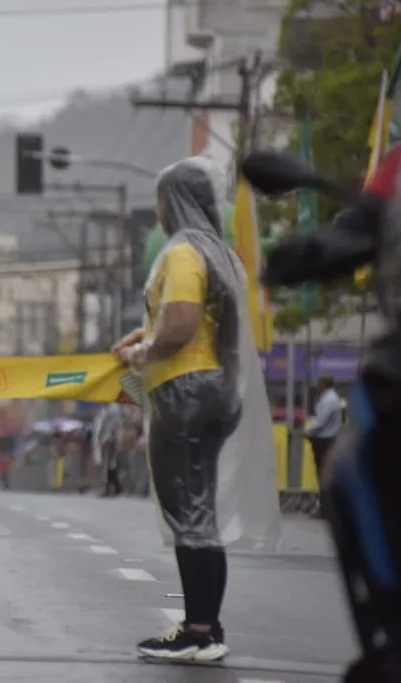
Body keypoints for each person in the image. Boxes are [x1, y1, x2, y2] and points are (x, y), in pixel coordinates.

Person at [112, 156, 279, 661]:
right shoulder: (220, 252)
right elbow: (198, 321)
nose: (159, 212)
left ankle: (199, 630)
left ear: (173, 203)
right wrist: (148, 332)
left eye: (161, 201)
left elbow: (181, 323)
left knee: (191, 516)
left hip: (184, 392)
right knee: (199, 512)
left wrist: (143, 352)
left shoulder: (181, 252)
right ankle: (207, 627)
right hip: (215, 388)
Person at [306, 374, 343, 490]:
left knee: (323, 472)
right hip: (325, 439)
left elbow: (321, 421)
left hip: (324, 440)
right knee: (322, 472)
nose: (316, 385)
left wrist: (307, 431)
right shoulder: (327, 397)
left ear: (323, 384)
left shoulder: (329, 399)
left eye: (318, 383)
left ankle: (325, 501)